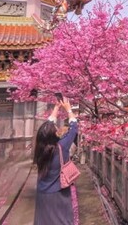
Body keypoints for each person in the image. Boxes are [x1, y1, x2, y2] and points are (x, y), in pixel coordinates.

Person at [34, 96, 78, 224]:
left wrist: (56, 108)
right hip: (59, 193)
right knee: (61, 220)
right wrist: (68, 109)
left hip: (43, 193)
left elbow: (46, 129)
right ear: (53, 135)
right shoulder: (61, 147)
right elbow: (74, 128)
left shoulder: (39, 149)